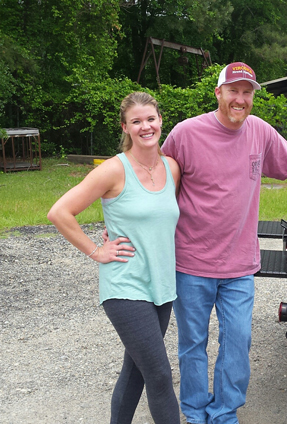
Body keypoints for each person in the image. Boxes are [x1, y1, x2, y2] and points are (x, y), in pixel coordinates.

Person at [160, 62, 287, 424]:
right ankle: (196, 412)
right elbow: (155, 182)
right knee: (192, 345)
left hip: (239, 266)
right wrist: (122, 222)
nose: (241, 99)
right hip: (191, 263)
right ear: (218, 93)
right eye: (234, 90)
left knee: (237, 343)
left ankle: (224, 412)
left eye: (247, 92)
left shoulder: (260, 132)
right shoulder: (185, 133)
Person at [47, 92, 181, 424]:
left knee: (135, 371)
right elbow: (60, 212)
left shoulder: (172, 168)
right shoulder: (113, 170)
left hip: (161, 288)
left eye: (150, 119)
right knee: (161, 377)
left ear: (160, 121)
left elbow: (160, 220)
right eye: (136, 121)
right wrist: (97, 250)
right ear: (125, 127)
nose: (145, 127)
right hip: (124, 287)